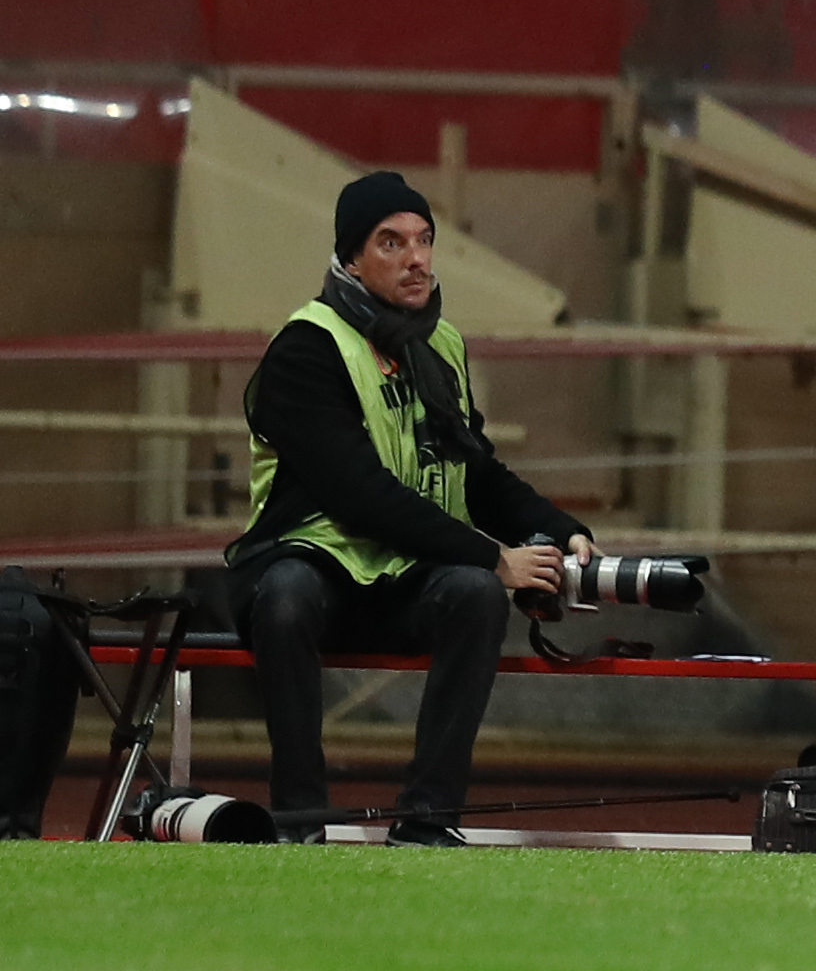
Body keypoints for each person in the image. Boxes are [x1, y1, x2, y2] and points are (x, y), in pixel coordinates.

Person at [226, 172, 593, 845]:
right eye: (391, 242)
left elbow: (476, 474)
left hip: (405, 576)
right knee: (286, 596)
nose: (416, 258)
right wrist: (493, 555)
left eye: (424, 240)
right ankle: (301, 819)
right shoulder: (307, 347)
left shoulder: (439, 344)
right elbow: (360, 495)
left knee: (477, 596)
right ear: (350, 258)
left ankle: (428, 821)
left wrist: (562, 533)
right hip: (314, 566)